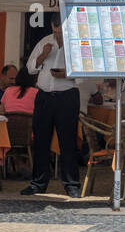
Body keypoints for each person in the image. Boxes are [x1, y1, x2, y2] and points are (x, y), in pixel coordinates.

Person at [21, 16, 82, 197]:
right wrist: (43, 56)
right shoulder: (44, 42)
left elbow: (85, 73)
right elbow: (30, 68)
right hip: (44, 96)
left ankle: (72, 185)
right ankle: (38, 183)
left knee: (68, 142)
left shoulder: (77, 43)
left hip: (67, 95)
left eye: (61, 30)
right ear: (52, 26)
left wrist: (67, 74)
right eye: (55, 30)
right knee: (41, 140)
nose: (58, 34)